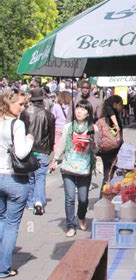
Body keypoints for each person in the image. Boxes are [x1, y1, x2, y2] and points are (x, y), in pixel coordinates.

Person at [50, 100, 98, 237]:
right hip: (68, 166)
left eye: (83, 110)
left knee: (83, 199)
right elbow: (61, 145)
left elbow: (96, 150)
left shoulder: (93, 129)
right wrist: (55, 160)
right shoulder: (68, 127)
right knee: (69, 198)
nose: (79, 112)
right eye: (78, 109)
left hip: (84, 168)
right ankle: (70, 225)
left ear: (88, 113)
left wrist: (93, 144)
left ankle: (81, 216)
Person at [0, 88, 34, 277]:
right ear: (8, 102)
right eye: (20, 104)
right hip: (14, 178)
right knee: (11, 224)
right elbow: (21, 153)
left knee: (1, 220)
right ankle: (3, 268)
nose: (23, 108)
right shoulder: (17, 124)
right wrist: (30, 140)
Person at [21, 88, 55, 215]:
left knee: (30, 177)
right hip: (43, 150)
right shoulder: (49, 115)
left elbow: (22, 132)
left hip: (28, 149)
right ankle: (39, 201)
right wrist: (50, 149)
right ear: (42, 99)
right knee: (40, 177)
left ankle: (30, 202)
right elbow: (51, 136)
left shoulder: (25, 113)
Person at [97, 95, 124, 196]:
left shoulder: (109, 114)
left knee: (108, 175)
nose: (122, 107)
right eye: (121, 104)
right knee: (110, 175)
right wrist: (117, 125)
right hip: (112, 150)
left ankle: (105, 196)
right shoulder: (110, 111)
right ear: (115, 104)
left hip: (110, 148)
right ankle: (104, 197)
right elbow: (110, 110)